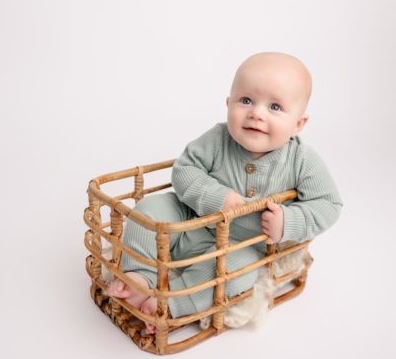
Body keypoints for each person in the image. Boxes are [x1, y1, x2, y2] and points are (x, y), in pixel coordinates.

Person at [107, 52, 343, 334]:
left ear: (298, 124)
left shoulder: (301, 160)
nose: (256, 113)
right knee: (150, 209)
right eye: (246, 100)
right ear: (228, 103)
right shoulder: (218, 139)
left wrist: (288, 222)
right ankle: (140, 276)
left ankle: (173, 304)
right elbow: (184, 170)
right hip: (189, 222)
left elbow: (329, 204)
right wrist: (215, 196)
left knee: (239, 273)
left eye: (275, 107)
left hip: (242, 247)